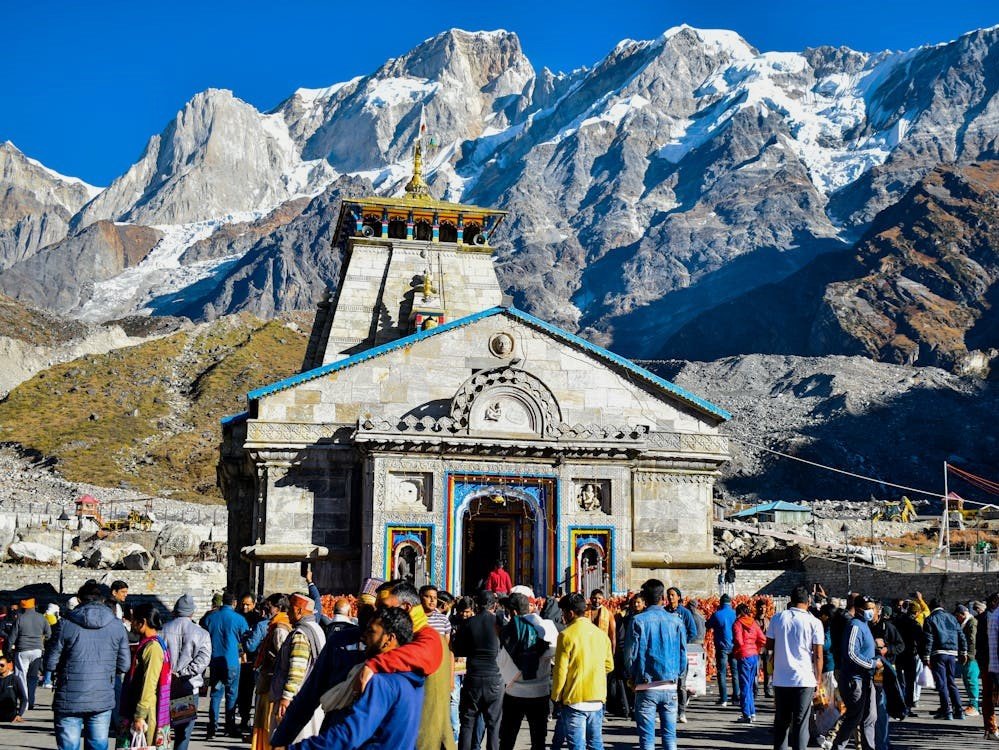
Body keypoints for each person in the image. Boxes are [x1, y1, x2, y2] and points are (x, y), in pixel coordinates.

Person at [276, 607, 423, 750]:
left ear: (389, 639)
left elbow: (351, 734)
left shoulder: (382, 682)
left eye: (371, 631)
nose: (364, 636)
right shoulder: (414, 680)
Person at [359, 580, 452, 750]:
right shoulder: (406, 638)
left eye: (386, 608)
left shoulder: (428, 639)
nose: (381, 614)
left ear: (406, 607)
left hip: (423, 740)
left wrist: (373, 665)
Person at [43, 580, 130, 750]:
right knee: (98, 744)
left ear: (79, 600)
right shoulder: (116, 625)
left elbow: (50, 662)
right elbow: (124, 664)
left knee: (69, 746)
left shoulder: (65, 624)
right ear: (102, 600)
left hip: (69, 697)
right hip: (102, 696)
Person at [626, 580, 686, 750]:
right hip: (670, 685)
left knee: (647, 739)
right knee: (670, 737)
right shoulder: (676, 621)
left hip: (646, 685)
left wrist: (632, 677)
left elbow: (630, 655)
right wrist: (677, 674)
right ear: (663, 598)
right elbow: (683, 655)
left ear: (644, 598)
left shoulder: (638, 621)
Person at [551, 592, 614, 750]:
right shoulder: (601, 635)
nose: (563, 617)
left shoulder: (566, 635)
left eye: (563, 613)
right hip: (597, 698)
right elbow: (609, 665)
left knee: (577, 745)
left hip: (575, 699)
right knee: (596, 743)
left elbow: (560, 671)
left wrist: (556, 696)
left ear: (570, 613)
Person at [766, 584, 824, 750]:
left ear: (791, 600)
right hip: (804, 679)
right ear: (809, 601)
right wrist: (818, 680)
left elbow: (769, 644)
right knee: (800, 722)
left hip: (781, 678)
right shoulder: (814, 622)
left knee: (781, 721)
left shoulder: (777, 618)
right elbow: (818, 654)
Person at [498, 592, 557, 750]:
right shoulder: (545, 629)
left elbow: (501, 662)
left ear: (513, 611)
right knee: (538, 740)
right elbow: (554, 655)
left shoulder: (508, 631)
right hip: (540, 692)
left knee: (507, 739)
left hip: (514, 692)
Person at [270, 593, 328, 744]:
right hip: (310, 696)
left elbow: (297, 669)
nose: (287, 614)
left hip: (297, 700)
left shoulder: (301, 634)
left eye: (290, 610)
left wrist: (286, 698)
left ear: (299, 611)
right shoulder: (317, 628)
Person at [453, 589, 503, 750]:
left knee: (468, 721)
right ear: (494, 605)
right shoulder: (499, 622)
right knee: (493, 724)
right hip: (495, 677)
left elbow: (459, 650)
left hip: (473, 676)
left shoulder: (468, 623)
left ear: (476, 605)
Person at [162, 594, 212, 750]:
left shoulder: (163, 630)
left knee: (162, 731)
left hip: (166, 687)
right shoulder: (201, 633)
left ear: (175, 611)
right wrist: (185, 672)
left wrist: (171, 673)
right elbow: (203, 660)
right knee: (182, 734)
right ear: (192, 612)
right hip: (187, 687)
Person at [118, 602, 171, 749]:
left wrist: (140, 715)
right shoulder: (151, 643)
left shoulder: (152, 648)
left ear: (143, 622)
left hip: (146, 711)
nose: (131, 623)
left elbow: (149, 684)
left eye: (134, 620)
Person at [830, 595, 878, 750]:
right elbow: (851, 653)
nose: (871, 611)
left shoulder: (865, 625)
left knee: (870, 717)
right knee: (854, 717)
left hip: (866, 679)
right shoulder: (855, 626)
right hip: (854, 679)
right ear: (858, 609)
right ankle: (838, 746)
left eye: (872, 608)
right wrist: (871, 663)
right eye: (868, 608)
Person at [202, 590, 250, 739]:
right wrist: (242, 654)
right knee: (232, 694)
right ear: (234, 603)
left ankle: (212, 727)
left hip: (215, 661)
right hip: (232, 662)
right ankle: (230, 726)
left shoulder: (211, 618)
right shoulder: (239, 619)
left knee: (216, 694)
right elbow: (244, 640)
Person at [251, 594, 292, 750]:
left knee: (267, 722)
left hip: (271, 684)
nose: (267, 610)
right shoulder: (276, 626)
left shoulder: (279, 629)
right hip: (269, 681)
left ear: (279, 608)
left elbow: (283, 659)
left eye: (269, 606)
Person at [922, 597, 966, 720]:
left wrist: (926, 656)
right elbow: (961, 635)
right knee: (951, 681)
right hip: (952, 653)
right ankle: (959, 710)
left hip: (938, 653)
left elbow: (928, 639)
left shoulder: (930, 619)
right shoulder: (952, 618)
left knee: (942, 683)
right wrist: (964, 651)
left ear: (931, 607)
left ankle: (947, 710)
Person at [9, 596, 51, 711]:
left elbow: (12, 637)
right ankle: (31, 701)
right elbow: (49, 634)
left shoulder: (20, 619)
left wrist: (8, 651)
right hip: (37, 651)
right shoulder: (41, 618)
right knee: (32, 678)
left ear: (22, 607)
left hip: (22, 650)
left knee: (21, 677)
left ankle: (24, 703)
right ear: (34, 606)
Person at [663, 587, 695, 723]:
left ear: (678, 597)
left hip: (680, 654)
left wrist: (682, 642)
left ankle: (681, 712)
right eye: (668, 595)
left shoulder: (685, 613)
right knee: (666, 683)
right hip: (666, 654)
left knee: (681, 683)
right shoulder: (663, 612)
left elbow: (693, 631)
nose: (670, 598)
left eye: (673, 595)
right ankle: (666, 711)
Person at [732, 602, 766, 723]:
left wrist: (738, 650)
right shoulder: (754, 623)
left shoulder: (737, 624)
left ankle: (746, 714)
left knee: (744, 685)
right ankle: (752, 712)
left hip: (743, 655)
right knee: (750, 685)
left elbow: (738, 640)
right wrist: (755, 648)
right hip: (754, 656)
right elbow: (762, 639)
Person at [705, 593, 738, 706]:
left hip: (721, 647)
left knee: (722, 673)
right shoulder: (735, 614)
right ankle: (736, 698)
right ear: (730, 603)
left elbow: (708, 625)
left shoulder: (717, 614)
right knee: (735, 673)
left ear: (720, 603)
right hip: (734, 646)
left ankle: (723, 699)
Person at [237, 593, 262, 735]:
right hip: (242, 660)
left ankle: (248, 720)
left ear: (254, 604)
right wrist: (241, 652)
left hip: (254, 660)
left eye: (248, 604)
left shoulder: (258, 620)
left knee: (252, 692)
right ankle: (243, 719)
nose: (245, 606)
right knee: (243, 693)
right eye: (243, 604)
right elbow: (237, 639)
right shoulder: (238, 617)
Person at [976, 591, 999, 740]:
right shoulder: (986, 618)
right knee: (989, 696)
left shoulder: (984, 618)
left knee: (988, 695)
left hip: (988, 661)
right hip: (989, 661)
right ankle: (990, 728)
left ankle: (990, 728)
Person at [955, 604, 980, 717]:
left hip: (971, 657)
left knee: (971, 680)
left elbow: (972, 640)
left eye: (958, 616)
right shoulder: (967, 623)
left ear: (963, 614)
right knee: (967, 680)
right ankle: (972, 704)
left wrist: (967, 653)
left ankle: (974, 706)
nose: (957, 619)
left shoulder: (971, 622)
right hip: (967, 656)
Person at [754, 600, 773, 698]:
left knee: (768, 671)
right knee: (755, 671)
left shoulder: (768, 621)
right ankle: (755, 690)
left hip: (767, 648)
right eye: (760, 607)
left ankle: (768, 690)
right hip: (756, 649)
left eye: (764, 607)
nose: (762, 609)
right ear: (757, 608)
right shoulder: (753, 621)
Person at [0, 654, 27, 723]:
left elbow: (23, 698)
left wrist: (19, 715)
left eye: (2, 665)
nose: (0, 667)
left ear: (9, 665)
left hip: (10, 717)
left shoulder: (15, 679)